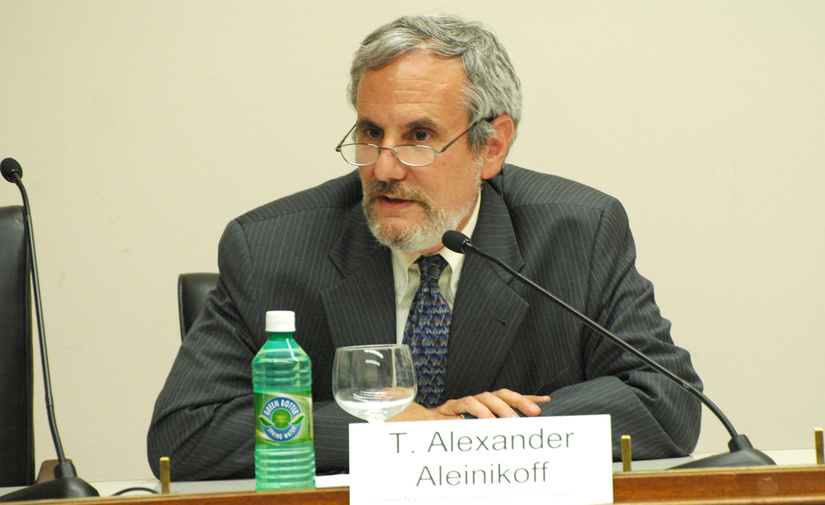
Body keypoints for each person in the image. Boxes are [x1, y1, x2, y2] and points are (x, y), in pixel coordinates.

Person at [147, 14, 702, 481]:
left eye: (418, 137)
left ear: (492, 146)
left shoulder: (578, 231)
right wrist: (387, 429)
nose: (384, 168)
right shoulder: (271, 248)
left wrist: (473, 436)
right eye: (371, 134)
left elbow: (667, 402)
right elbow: (187, 434)